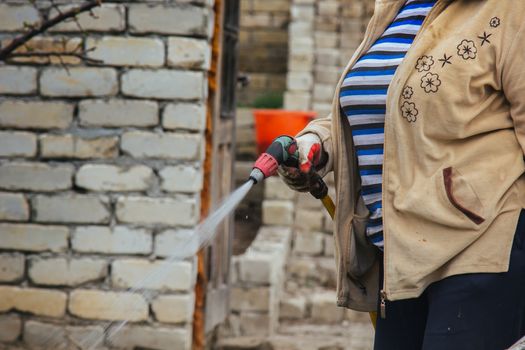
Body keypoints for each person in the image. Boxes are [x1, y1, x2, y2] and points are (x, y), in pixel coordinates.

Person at [278, 0, 525, 349]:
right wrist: (316, 142)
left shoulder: (509, 10)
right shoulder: (394, 10)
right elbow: (385, 112)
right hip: (399, 257)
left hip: (480, 249)